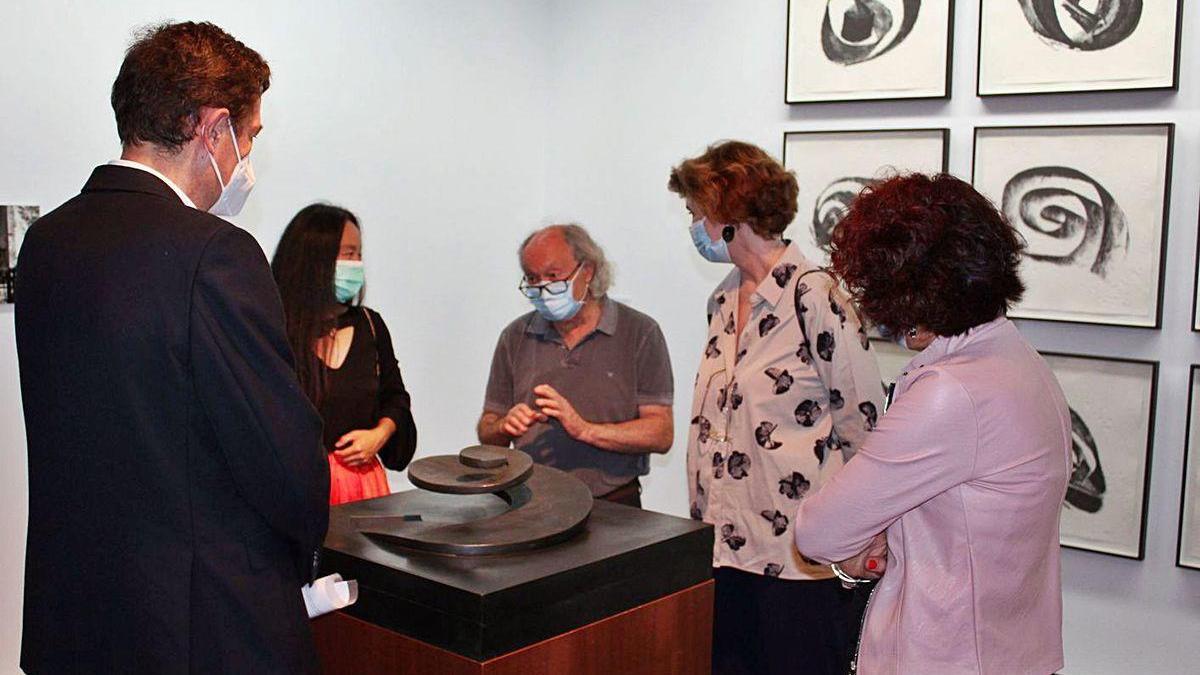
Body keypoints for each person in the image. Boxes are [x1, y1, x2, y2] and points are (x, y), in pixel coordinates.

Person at [15, 22, 328, 674]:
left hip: (74, 620)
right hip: (197, 630)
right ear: (212, 130)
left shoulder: (46, 242)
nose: (246, 159)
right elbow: (288, 469)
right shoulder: (213, 253)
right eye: (248, 137)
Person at [793, 173, 1071, 675]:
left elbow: (818, 533)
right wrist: (888, 538)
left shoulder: (952, 391)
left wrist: (863, 544)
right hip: (1010, 652)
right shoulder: (1021, 362)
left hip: (946, 656)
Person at [668, 140, 885, 675]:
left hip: (798, 560)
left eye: (697, 213)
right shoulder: (721, 300)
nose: (692, 225)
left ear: (728, 216)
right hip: (722, 549)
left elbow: (865, 426)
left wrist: (864, 535)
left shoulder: (815, 295)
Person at [477, 224, 673, 507]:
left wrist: (584, 430)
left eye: (553, 276)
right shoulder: (515, 336)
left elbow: (660, 433)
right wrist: (504, 427)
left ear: (588, 271)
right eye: (532, 278)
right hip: (530, 505)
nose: (542, 288)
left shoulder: (639, 332)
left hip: (614, 506)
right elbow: (487, 431)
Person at [272, 204, 418, 505]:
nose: (357, 264)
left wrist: (380, 433)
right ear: (314, 259)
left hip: (363, 490)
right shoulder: (273, 328)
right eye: (347, 254)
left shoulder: (370, 325)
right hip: (297, 491)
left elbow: (396, 398)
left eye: (359, 254)